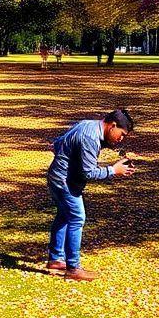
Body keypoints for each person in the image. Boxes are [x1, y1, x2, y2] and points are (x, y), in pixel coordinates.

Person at [47, 108, 136, 281]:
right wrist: (113, 170)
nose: (121, 139)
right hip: (65, 181)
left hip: (56, 176)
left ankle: (56, 259)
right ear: (112, 125)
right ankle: (73, 268)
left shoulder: (87, 125)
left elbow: (57, 144)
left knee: (64, 216)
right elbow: (88, 173)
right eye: (122, 134)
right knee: (77, 218)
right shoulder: (90, 137)